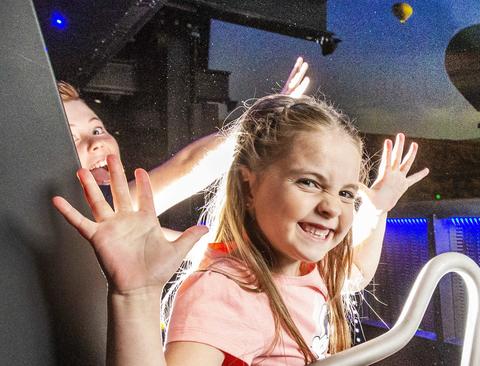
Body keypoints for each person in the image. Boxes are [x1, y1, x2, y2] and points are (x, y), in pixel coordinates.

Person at [52, 94, 429, 365]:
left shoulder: (305, 267)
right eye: (309, 183)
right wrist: (135, 294)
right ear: (250, 187)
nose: (332, 206)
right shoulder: (226, 289)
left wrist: (376, 209)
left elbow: (356, 276)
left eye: (346, 192)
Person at [58, 57, 311, 224]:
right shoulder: (86, 211)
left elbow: (197, 249)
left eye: (98, 130)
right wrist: (260, 121)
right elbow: (187, 168)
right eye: (72, 139)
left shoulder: (121, 226)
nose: (97, 143)